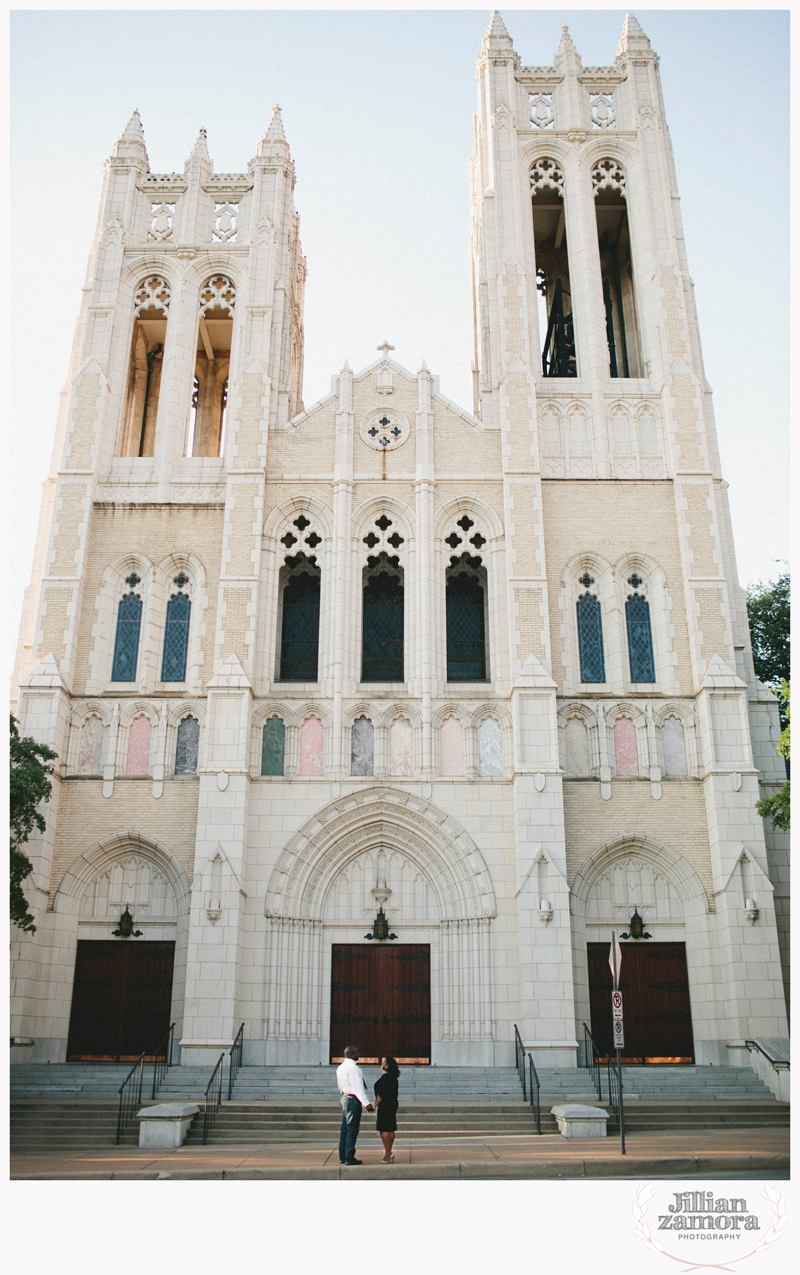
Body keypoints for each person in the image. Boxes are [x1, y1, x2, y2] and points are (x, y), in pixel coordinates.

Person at [335, 1045, 373, 1165]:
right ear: (350, 1055)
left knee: (345, 1128)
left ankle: (343, 1155)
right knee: (352, 1128)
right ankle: (349, 1157)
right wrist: (366, 1103)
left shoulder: (341, 1067)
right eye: (356, 1052)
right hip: (352, 1099)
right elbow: (357, 1087)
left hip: (344, 1097)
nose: (358, 1054)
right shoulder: (352, 1068)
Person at [373, 1056, 400, 1163]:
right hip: (393, 1104)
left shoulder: (386, 1078)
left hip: (385, 1105)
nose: (382, 1064)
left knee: (384, 1129)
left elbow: (381, 1094)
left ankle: (387, 1153)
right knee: (390, 1128)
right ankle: (389, 1151)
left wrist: (375, 1105)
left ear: (387, 1066)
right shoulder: (393, 1077)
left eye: (384, 1062)